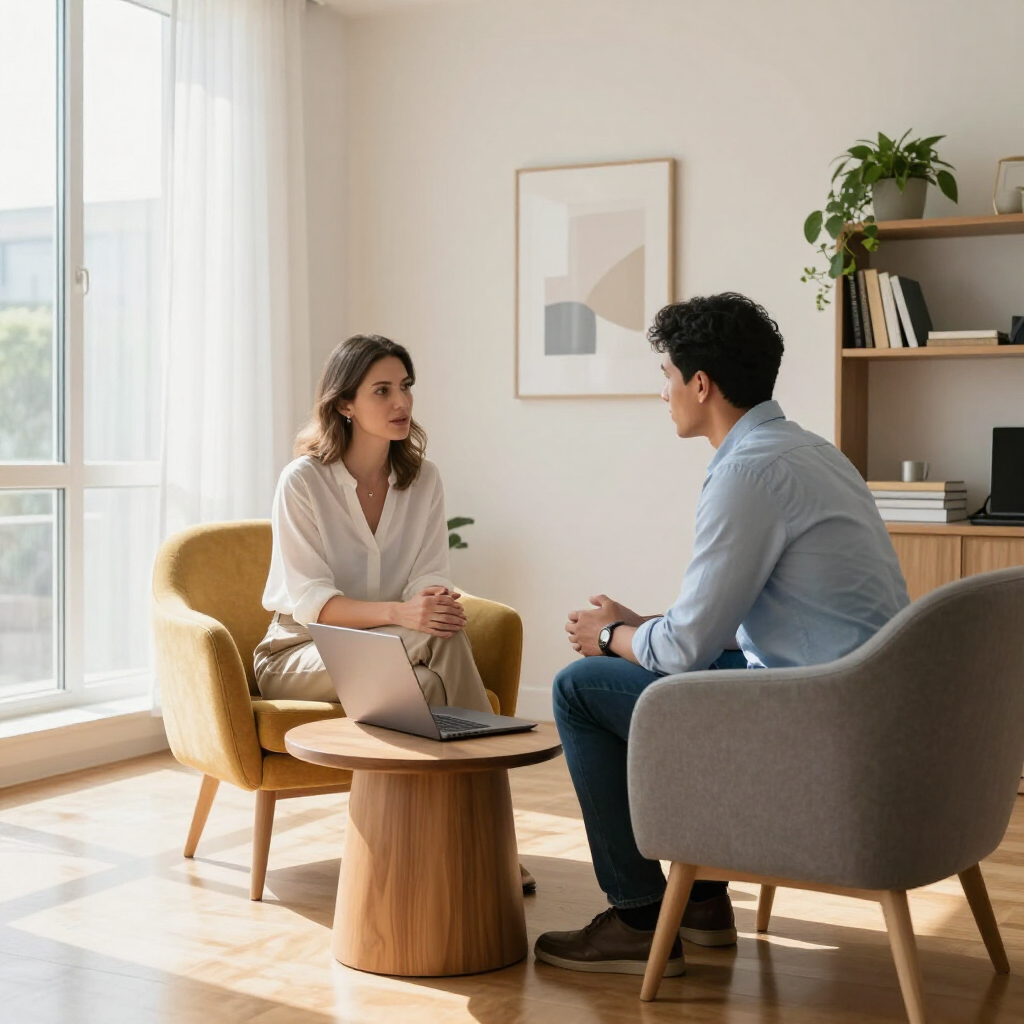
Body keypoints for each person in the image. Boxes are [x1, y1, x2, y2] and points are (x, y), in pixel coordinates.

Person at [533, 293, 910, 976]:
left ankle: (638, 919)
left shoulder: (746, 472)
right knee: (660, 666)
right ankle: (703, 902)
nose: (664, 393)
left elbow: (683, 652)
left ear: (701, 384)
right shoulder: (811, 451)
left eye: (667, 376)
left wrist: (611, 635)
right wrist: (641, 628)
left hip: (818, 727)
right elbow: (735, 624)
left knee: (579, 689)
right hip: (861, 706)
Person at [254, 333, 493, 714]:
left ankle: (469, 750)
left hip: (384, 640)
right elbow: (314, 601)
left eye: (405, 386)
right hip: (301, 651)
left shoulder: (424, 479)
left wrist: (430, 602)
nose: (402, 402)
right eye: (382, 391)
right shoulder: (303, 481)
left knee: (431, 678)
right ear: (345, 403)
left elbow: (429, 574)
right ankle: (494, 750)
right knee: (439, 644)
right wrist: (400, 613)